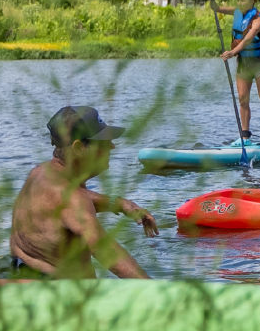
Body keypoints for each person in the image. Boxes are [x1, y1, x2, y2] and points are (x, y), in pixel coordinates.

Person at [9, 107, 158, 279]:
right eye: (103, 142)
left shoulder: (41, 173)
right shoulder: (71, 197)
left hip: (22, 277)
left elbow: (64, 204)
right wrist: (154, 291)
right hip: (52, 295)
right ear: (79, 148)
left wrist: (119, 204)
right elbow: (106, 251)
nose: (112, 146)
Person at [207, 0, 260, 145]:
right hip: (243, 62)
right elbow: (216, 8)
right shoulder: (236, 12)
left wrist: (232, 52)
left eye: (243, 0)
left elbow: (248, 40)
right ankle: (245, 137)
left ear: (252, 1)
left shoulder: (258, 20)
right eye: (238, 0)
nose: (240, 3)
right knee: (243, 100)